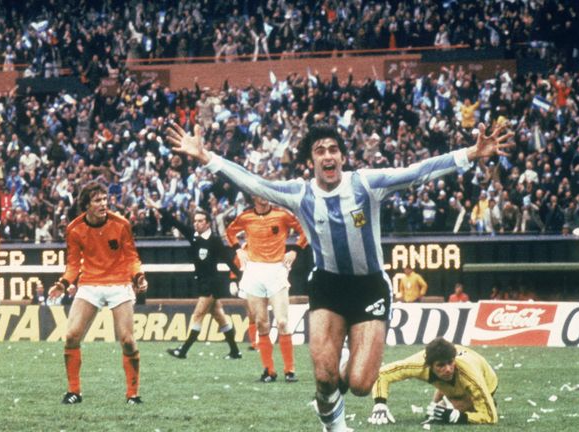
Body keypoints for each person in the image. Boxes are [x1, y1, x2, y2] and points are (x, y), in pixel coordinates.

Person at [167, 121, 512, 431]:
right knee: (323, 375)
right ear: (312, 161)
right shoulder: (299, 193)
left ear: (343, 157)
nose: (327, 156)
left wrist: (472, 153)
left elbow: (418, 171)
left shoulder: (366, 184)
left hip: (370, 287)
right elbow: (251, 180)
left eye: (333, 149)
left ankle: (343, 367)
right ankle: (335, 426)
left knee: (361, 384)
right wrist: (206, 157)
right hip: (328, 286)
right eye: (320, 151)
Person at [48, 181, 147, 405]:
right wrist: (63, 284)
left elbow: (132, 257)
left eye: (105, 199)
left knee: (128, 341)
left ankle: (133, 394)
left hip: (119, 282)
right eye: (97, 200)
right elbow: (73, 264)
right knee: (72, 335)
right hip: (90, 284)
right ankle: (74, 391)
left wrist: (138, 276)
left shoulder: (121, 224)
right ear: (86, 205)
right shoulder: (74, 229)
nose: (103, 204)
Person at [225, 195, 308, 383]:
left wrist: (295, 250)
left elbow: (304, 231)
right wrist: (238, 249)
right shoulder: (246, 217)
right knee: (261, 322)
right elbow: (229, 232)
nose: (264, 198)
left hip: (276, 270)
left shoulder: (282, 215)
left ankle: (290, 369)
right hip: (254, 271)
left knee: (282, 322)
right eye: (259, 194)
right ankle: (269, 370)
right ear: (253, 197)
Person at [368, 337, 498, 426]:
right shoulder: (418, 364)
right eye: (441, 365)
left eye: (450, 362)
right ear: (429, 365)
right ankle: (449, 398)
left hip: (486, 381)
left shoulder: (470, 376)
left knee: (445, 413)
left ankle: (482, 401)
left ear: (454, 359)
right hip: (449, 383)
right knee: (438, 413)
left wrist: (460, 417)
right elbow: (382, 374)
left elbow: (490, 417)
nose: (448, 369)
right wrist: (380, 403)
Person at [167, 209, 243, 360]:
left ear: (208, 223)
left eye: (200, 221)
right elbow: (177, 224)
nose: (197, 224)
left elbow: (228, 260)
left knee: (198, 315)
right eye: (195, 221)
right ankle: (235, 351)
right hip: (202, 283)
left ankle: (183, 350)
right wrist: (159, 209)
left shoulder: (214, 241)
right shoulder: (194, 237)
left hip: (211, 285)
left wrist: (240, 276)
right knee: (220, 317)